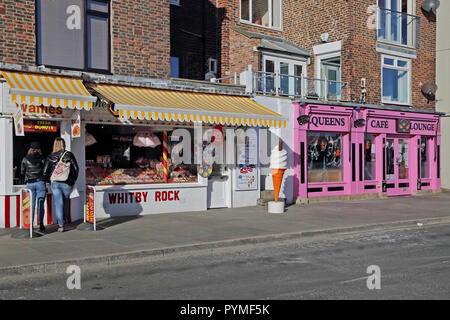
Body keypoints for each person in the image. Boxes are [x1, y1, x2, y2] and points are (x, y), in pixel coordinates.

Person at [44, 138, 79, 232]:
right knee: (65, 201)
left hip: (55, 182)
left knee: (58, 203)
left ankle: (61, 225)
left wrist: (50, 180)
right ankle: (65, 219)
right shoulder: (69, 155)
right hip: (67, 182)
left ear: (55, 145)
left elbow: (45, 172)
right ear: (64, 144)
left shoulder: (50, 156)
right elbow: (76, 169)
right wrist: (72, 180)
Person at [20, 142, 47, 232]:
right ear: (39, 150)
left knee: (30, 205)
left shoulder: (25, 159)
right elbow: (45, 172)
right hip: (40, 183)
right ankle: (41, 224)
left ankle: (30, 224)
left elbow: (22, 172)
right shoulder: (42, 159)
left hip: (30, 184)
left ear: (30, 149)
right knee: (40, 204)